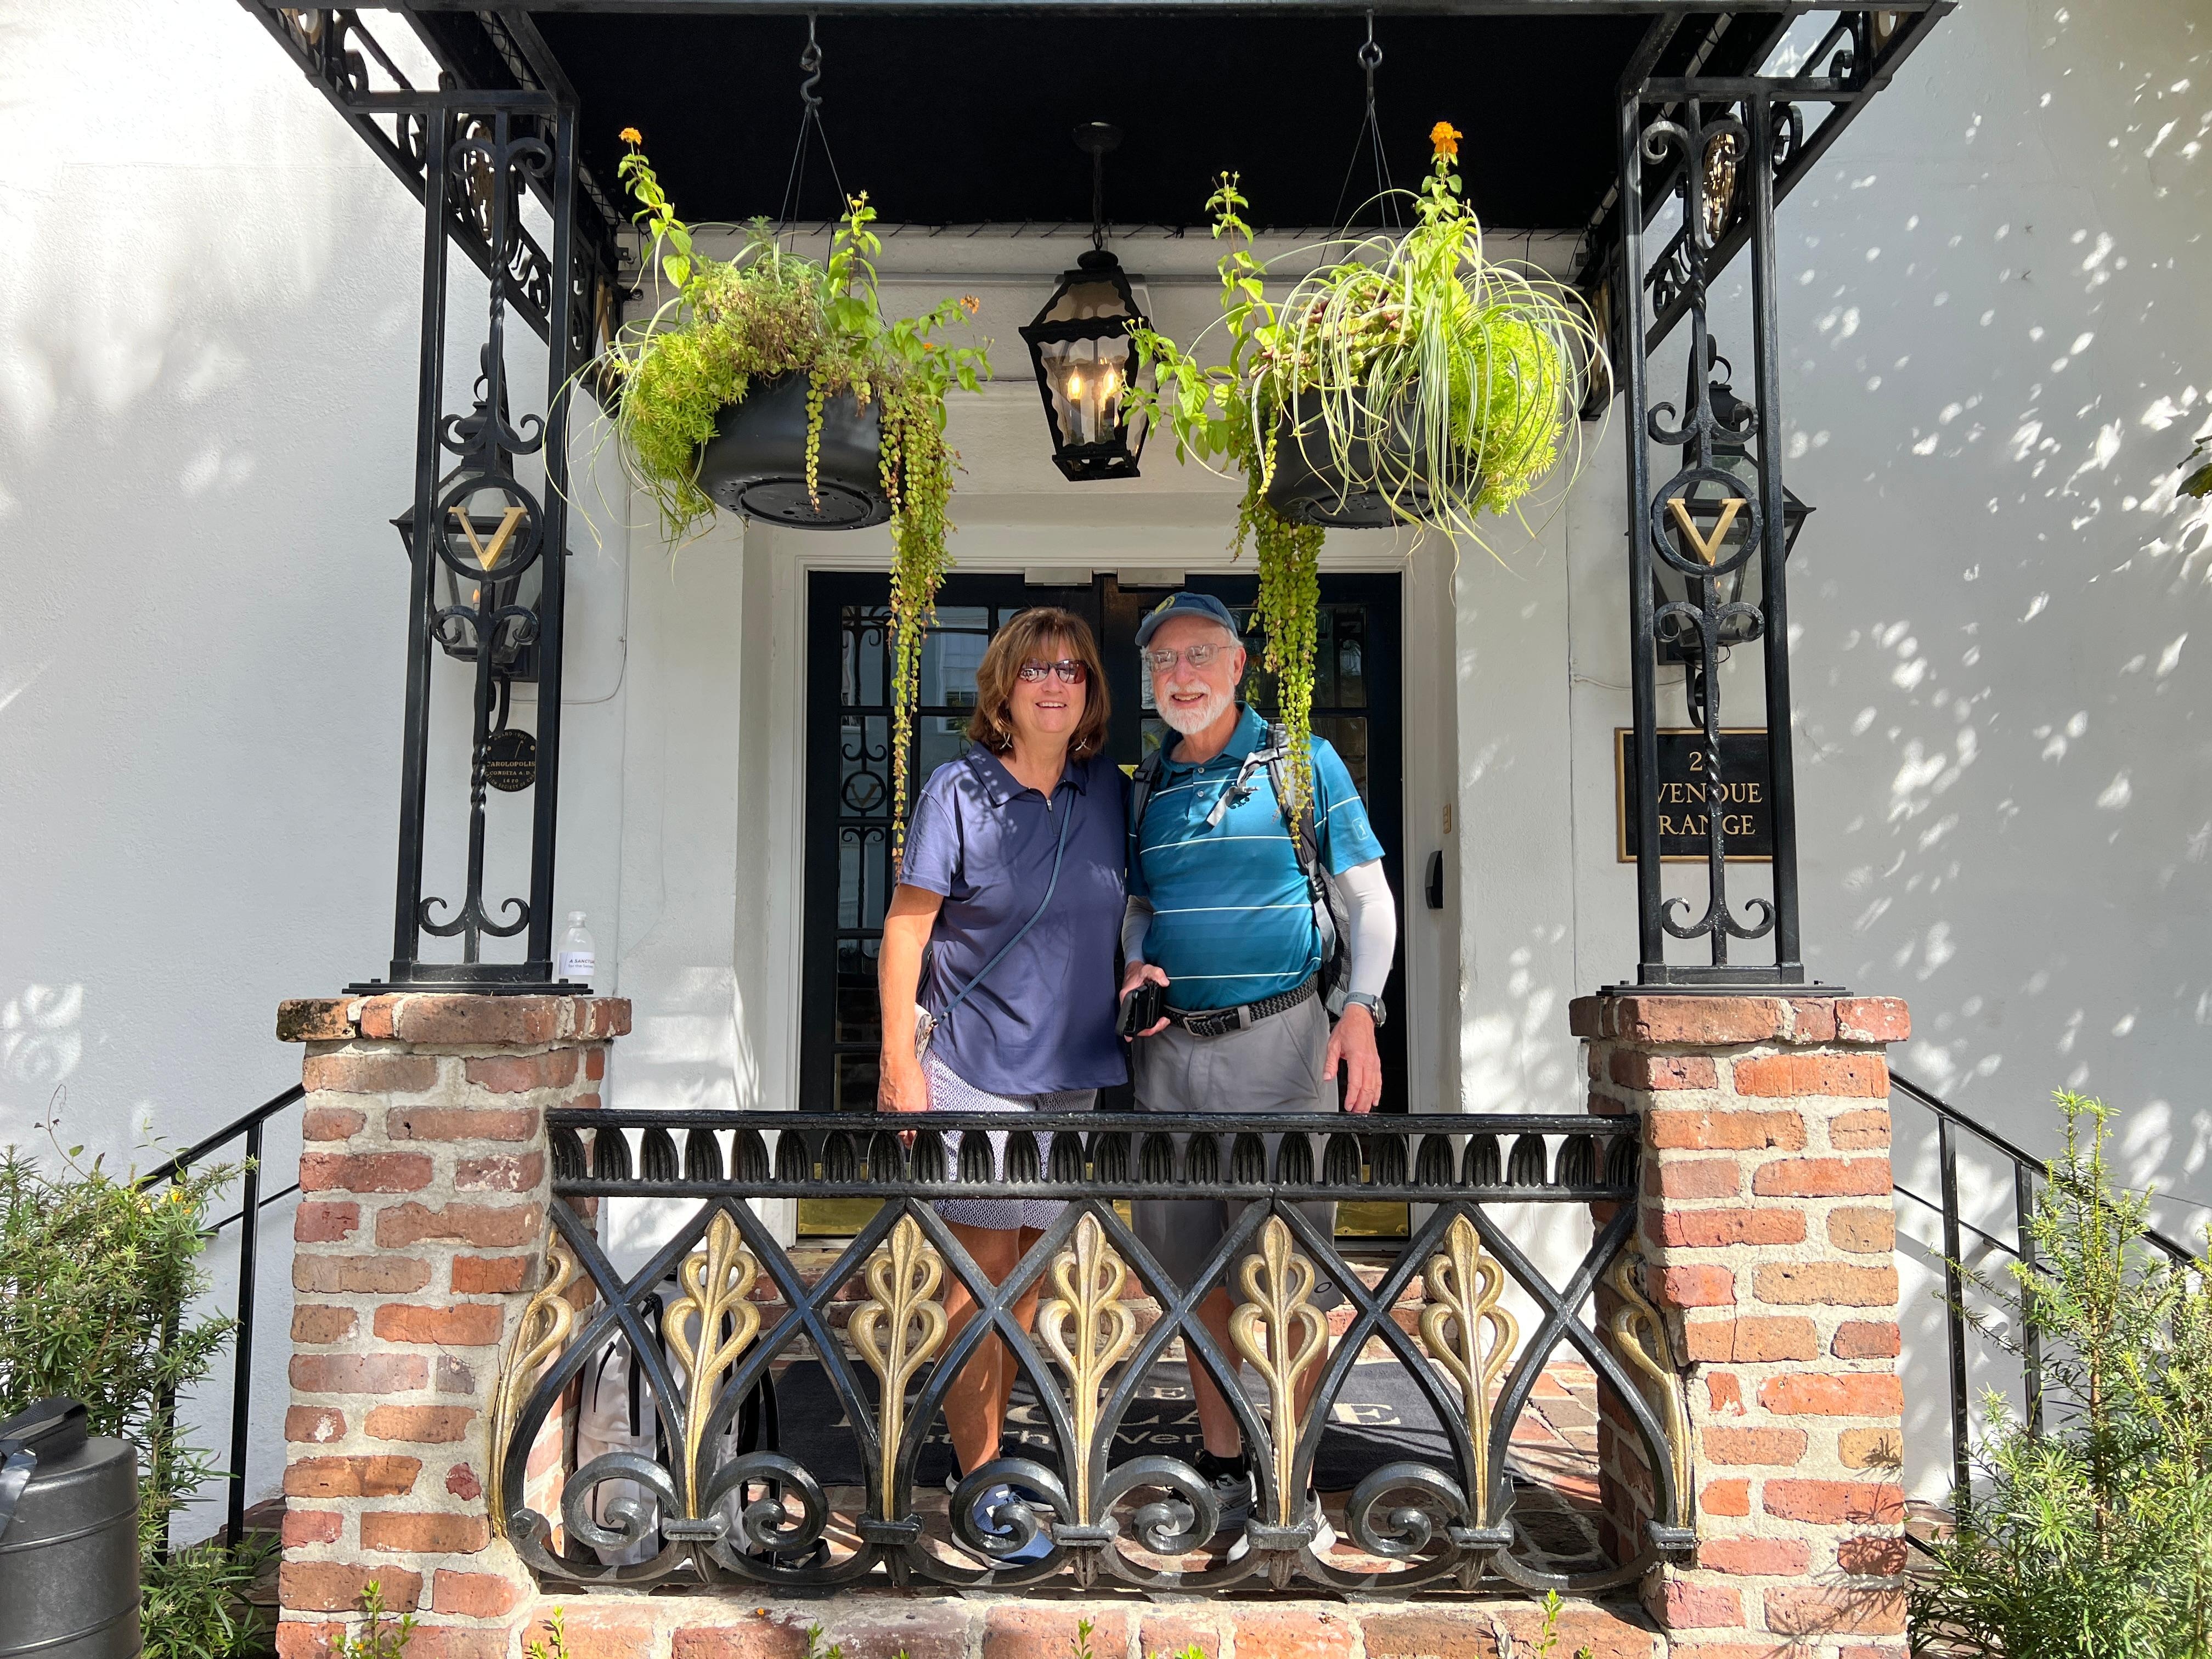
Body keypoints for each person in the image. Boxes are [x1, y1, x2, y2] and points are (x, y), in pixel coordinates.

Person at [1119, 590, 1398, 1550]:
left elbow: (1370, 899)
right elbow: (1141, 908)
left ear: (1239, 666)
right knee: (1190, 1279)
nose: (1181, 676)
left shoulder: (1301, 764)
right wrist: (1135, 964)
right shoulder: (1149, 786)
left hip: (1283, 1046)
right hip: (1169, 1058)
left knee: (1286, 1280)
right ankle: (1223, 1464)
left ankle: (1294, 1482)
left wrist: (1360, 1009)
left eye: (1199, 655)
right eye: (1163, 662)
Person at [877, 606, 1127, 1563]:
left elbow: (1133, 905)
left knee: (1024, 1280)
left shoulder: (1109, 791)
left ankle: (981, 1462)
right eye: (1035, 670)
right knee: (980, 1279)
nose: (1054, 683)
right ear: (1003, 689)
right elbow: (908, 928)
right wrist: (899, 1064)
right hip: (975, 1066)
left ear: (1089, 691)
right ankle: (979, 1485)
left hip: (1071, 1077)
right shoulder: (960, 790)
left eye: (1071, 669)